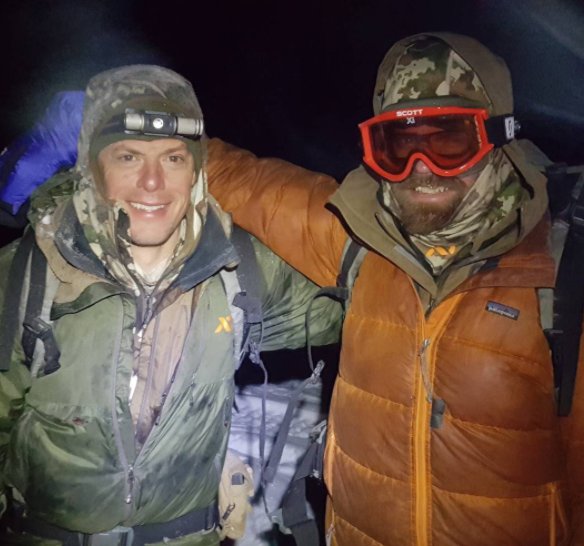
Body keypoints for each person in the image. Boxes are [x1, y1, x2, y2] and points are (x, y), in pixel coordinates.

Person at [204, 32, 584, 545]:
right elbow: (250, 183)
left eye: (448, 141)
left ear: (497, 137)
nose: (422, 168)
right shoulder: (360, 239)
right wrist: (145, 142)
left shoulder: (561, 264)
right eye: (399, 145)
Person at [0, 65, 341, 545]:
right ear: (92, 169)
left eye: (174, 158)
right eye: (128, 157)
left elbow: (368, 311)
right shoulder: (25, 275)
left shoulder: (239, 266)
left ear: (197, 170)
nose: (153, 182)